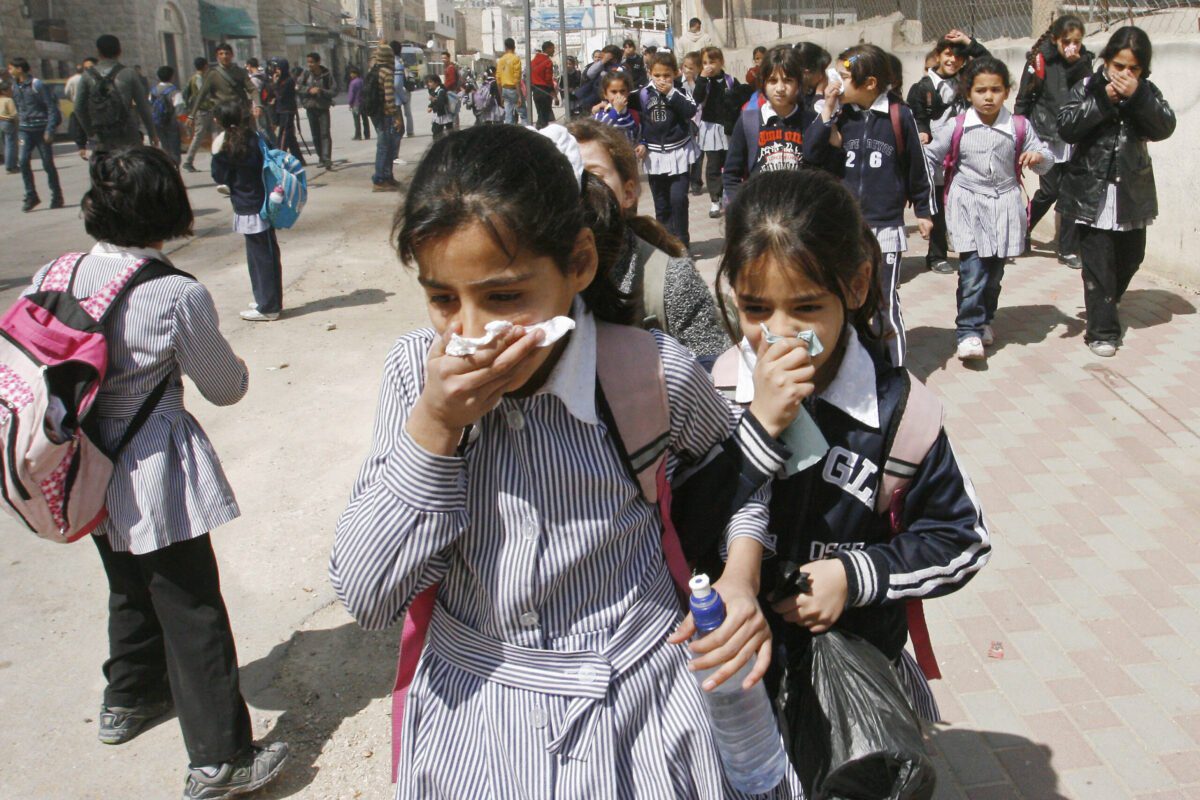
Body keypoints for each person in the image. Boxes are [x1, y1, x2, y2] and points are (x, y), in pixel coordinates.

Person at [330, 122, 801, 799]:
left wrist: (743, 576)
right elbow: (369, 594)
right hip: (479, 726)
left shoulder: (651, 375)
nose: (468, 333)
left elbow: (739, 479)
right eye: (442, 299)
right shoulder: (415, 376)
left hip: (645, 719)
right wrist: (437, 428)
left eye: (502, 297)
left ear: (579, 264)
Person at [24, 146, 288, 798]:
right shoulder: (174, 292)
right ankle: (221, 761)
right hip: (153, 469)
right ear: (168, 207)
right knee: (190, 603)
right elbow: (224, 387)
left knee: (127, 582)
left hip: (77, 464)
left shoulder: (52, 270)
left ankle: (130, 697)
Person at [710, 167, 989, 775]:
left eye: (806, 308)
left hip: (853, 669)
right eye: (756, 309)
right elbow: (678, 521)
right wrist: (755, 428)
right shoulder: (711, 391)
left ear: (857, 286)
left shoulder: (901, 412)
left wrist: (854, 574)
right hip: (731, 682)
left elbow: (960, 539)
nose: (779, 334)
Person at [805, 44, 935, 368]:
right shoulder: (841, 116)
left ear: (870, 83)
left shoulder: (898, 115)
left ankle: (896, 372)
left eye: (845, 76)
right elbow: (811, 153)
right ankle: (852, 367)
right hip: (846, 226)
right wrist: (827, 110)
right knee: (844, 300)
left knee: (882, 301)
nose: (836, 81)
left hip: (885, 226)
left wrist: (924, 211)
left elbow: (919, 167)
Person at [922, 57, 1054, 362]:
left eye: (995, 89)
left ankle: (984, 320)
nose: (988, 96)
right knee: (972, 271)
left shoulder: (1019, 126)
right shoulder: (956, 126)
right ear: (968, 93)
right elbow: (929, 157)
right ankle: (967, 332)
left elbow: (1046, 158)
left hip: (1006, 205)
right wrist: (924, 194)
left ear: (1006, 91)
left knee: (993, 273)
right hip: (968, 202)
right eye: (981, 90)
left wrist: (1036, 155)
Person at [1057, 25, 1175, 358]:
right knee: (1098, 264)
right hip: (1090, 192)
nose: (1124, 74)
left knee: (1131, 256)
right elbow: (1066, 127)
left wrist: (1138, 96)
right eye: (1118, 66)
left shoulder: (1147, 93)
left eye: (1133, 69)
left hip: (1130, 193)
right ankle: (1102, 331)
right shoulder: (1086, 87)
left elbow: (1164, 126)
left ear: (1143, 70)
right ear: (1106, 60)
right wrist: (1102, 100)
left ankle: (1108, 299)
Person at [570, 118, 728, 361]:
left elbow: (713, 371)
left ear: (629, 193)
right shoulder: (537, 274)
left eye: (592, 174)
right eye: (568, 172)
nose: (579, 187)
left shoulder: (671, 280)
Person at [907, 30, 992, 275]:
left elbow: (988, 63)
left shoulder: (966, 81)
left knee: (965, 203)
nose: (952, 60)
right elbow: (916, 116)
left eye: (958, 56)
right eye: (947, 54)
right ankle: (936, 255)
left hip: (963, 155)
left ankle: (971, 250)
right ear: (938, 56)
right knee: (937, 207)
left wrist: (968, 42)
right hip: (936, 157)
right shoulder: (923, 88)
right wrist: (923, 132)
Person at [1015, 14, 1091, 269]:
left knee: (1072, 192)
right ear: (1056, 39)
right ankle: (1022, 229)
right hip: (1046, 135)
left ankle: (1067, 249)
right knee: (1051, 191)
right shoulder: (1039, 60)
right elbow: (1023, 99)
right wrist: (1018, 133)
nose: (1072, 46)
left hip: (1074, 136)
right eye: (1067, 41)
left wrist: (1078, 63)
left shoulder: (1084, 61)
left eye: (1077, 41)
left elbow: (1089, 92)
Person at [211, 101, 285, 322]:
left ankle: (268, 306)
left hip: (248, 205)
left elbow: (219, 176)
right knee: (265, 255)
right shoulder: (254, 137)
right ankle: (267, 299)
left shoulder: (224, 145)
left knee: (260, 257)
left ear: (219, 121)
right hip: (264, 201)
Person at [723, 46, 814, 204]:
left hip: (799, 219)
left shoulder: (811, 121)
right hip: (760, 219)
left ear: (799, 83)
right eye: (773, 80)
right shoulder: (748, 121)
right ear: (763, 83)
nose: (780, 88)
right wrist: (741, 210)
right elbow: (731, 175)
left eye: (788, 80)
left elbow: (824, 174)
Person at [630, 51, 699, 248]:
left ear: (675, 74)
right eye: (657, 75)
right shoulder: (643, 94)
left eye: (667, 75)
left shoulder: (680, 93)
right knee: (661, 205)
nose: (662, 80)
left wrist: (670, 93)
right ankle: (667, 246)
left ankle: (683, 243)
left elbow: (690, 110)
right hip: (654, 157)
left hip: (678, 153)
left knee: (678, 199)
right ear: (650, 73)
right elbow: (623, 102)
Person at [75, 34, 158, 156]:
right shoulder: (129, 74)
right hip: (128, 134)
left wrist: (90, 132)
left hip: (102, 137)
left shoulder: (86, 76)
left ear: (98, 52)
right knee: (134, 170)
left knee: (103, 172)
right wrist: (152, 134)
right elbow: (143, 107)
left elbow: (78, 108)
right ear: (120, 51)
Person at [8, 57, 63, 212]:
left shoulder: (37, 85)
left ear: (20, 69)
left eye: (11, 68)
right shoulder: (15, 86)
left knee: (47, 163)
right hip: (25, 130)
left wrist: (49, 130)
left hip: (41, 129)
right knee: (23, 160)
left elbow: (51, 108)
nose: (9, 71)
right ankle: (31, 195)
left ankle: (56, 195)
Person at [692, 47, 739, 219]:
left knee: (730, 163)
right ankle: (714, 199)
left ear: (721, 62)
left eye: (712, 62)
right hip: (710, 127)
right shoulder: (703, 81)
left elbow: (739, 99)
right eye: (705, 62)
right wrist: (703, 78)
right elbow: (696, 98)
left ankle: (729, 196)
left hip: (728, 128)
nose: (709, 66)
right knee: (713, 164)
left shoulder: (730, 80)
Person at [368, 42, 404, 191]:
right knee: (385, 147)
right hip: (385, 114)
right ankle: (380, 179)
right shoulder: (387, 72)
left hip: (375, 113)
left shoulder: (374, 70)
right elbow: (389, 97)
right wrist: (396, 116)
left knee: (386, 146)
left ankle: (387, 177)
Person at [298, 52, 336, 169]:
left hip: (323, 107)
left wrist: (321, 91)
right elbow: (298, 87)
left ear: (318, 62)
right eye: (308, 62)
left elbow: (334, 91)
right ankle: (320, 157)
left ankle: (326, 158)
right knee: (315, 134)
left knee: (325, 133)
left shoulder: (327, 74)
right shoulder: (305, 74)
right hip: (310, 107)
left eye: (312, 62)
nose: (310, 65)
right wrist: (309, 90)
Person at [182, 57, 217, 172]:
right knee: (199, 137)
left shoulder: (197, 78)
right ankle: (188, 161)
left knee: (215, 134)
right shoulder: (198, 79)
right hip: (203, 111)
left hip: (206, 110)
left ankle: (217, 159)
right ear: (205, 65)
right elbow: (203, 94)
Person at [268, 58, 305, 165]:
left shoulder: (288, 80)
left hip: (287, 111)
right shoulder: (281, 80)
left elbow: (280, 95)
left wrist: (275, 84)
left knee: (283, 135)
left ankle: (280, 158)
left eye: (279, 68)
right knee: (290, 137)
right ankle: (299, 158)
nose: (277, 71)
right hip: (281, 110)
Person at [150, 65, 186, 166]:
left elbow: (150, 107)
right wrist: (183, 126)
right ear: (172, 76)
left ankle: (166, 168)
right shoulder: (174, 91)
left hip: (158, 123)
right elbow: (180, 111)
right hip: (172, 124)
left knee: (164, 148)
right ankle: (175, 169)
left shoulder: (153, 91)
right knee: (174, 150)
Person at [592, 71, 640, 143]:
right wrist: (616, 110)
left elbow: (639, 136)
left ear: (628, 92)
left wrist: (642, 144)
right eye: (614, 92)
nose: (618, 95)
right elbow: (600, 130)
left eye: (622, 91)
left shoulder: (634, 115)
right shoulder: (600, 115)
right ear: (605, 94)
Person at [389, 41, 416, 137]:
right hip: (407, 89)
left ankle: (402, 131)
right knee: (408, 113)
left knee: (398, 111)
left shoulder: (394, 63)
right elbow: (412, 76)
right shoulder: (404, 62)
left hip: (399, 92)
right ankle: (410, 131)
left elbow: (396, 84)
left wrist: (402, 97)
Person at [530, 41, 558, 129]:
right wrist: (554, 94)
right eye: (553, 49)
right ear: (548, 49)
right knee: (544, 117)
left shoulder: (533, 60)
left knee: (539, 114)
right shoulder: (548, 61)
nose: (554, 51)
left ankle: (538, 131)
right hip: (544, 91)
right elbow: (548, 79)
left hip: (535, 91)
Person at [496, 37, 523, 124]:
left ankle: (508, 134)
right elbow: (516, 79)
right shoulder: (515, 59)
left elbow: (498, 79)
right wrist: (519, 96)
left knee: (508, 115)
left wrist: (501, 96)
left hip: (504, 90)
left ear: (505, 47)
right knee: (524, 114)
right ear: (514, 47)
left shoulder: (501, 60)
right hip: (514, 90)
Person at [0, 79, 18, 174]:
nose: (11, 92)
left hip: (0, 122)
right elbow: (14, 114)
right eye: (10, 90)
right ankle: (11, 166)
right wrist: (18, 124)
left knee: (5, 145)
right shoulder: (9, 100)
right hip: (8, 122)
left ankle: (9, 164)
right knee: (11, 145)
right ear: (4, 91)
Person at [347, 66, 370, 140]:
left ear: (355, 74)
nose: (351, 75)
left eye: (352, 73)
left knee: (357, 120)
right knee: (365, 119)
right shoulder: (362, 81)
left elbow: (351, 94)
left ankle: (358, 135)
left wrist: (350, 103)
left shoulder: (353, 83)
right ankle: (367, 134)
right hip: (363, 102)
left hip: (356, 104)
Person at [441, 52, 461, 130]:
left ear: (449, 58)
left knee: (453, 110)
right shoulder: (447, 67)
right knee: (452, 111)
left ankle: (456, 128)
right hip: (450, 91)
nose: (443, 60)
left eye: (445, 58)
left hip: (452, 92)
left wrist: (444, 87)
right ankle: (455, 127)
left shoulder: (451, 68)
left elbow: (452, 80)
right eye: (442, 58)